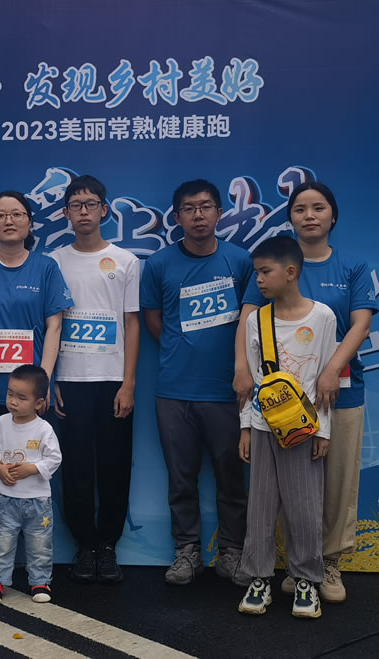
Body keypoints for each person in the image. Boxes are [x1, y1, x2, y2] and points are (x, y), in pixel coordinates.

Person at [240, 181, 375, 603]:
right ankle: (292, 566)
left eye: (319, 207)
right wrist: (241, 370)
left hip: (339, 392)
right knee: (285, 489)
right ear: (290, 218)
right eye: (300, 208)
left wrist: (332, 370)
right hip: (277, 406)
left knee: (335, 483)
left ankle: (327, 564)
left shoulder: (352, 266)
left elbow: (360, 324)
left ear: (333, 215)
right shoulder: (272, 264)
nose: (310, 215)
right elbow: (249, 324)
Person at [139, 179, 253, 586]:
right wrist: (182, 349)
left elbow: (251, 321)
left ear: (220, 213)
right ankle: (186, 552)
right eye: (189, 208)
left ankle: (232, 553)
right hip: (174, 392)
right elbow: (154, 321)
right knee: (180, 479)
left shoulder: (241, 262)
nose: (198, 215)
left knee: (231, 479)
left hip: (227, 391)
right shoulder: (158, 265)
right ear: (177, 217)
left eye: (206, 207)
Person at [0, 191, 71, 556]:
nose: (9, 221)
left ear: (30, 222)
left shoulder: (46, 268)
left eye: (17, 214)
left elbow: (55, 327)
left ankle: (37, 557)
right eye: (1, 215)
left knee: (34, 469)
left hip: (32, 397)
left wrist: (43, 384)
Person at [232, 236, 336, 620]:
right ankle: (259, 578)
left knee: (305, 507)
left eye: (265, 272)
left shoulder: (323, 317)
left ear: (291, 272)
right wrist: (245, 428)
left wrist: (323, 430)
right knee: (259, 508)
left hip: (303, 429)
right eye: (256, 272)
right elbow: (251, 383)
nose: (258, 280)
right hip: (263, 427)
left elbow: (326, 383)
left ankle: (306, 580)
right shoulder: (255, 320)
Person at [49, 176, 139, 585]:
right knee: (77, 467)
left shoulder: (126, 261)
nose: (83, 211)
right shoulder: (54, 261)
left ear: (105, 210)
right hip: (70, 380)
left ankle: (108, 546)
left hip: (113, 381)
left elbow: (131, 324)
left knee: (115, 466)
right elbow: (50, 323)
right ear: (65, 213)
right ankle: (84, 545)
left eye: (90, 204)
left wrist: (128, 383)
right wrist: (52, 379)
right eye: (75, 204)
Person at [0, 364, 62, 606]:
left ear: (39, 403)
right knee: (2, 543)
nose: (13, 402)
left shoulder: (44, 429)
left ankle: (40, 582)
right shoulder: (1, 422)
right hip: (5, 499)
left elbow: (54, 458)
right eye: (10, 394)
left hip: (38, 501)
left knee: (39, 545)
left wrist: (32, 469)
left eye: (21, 397)